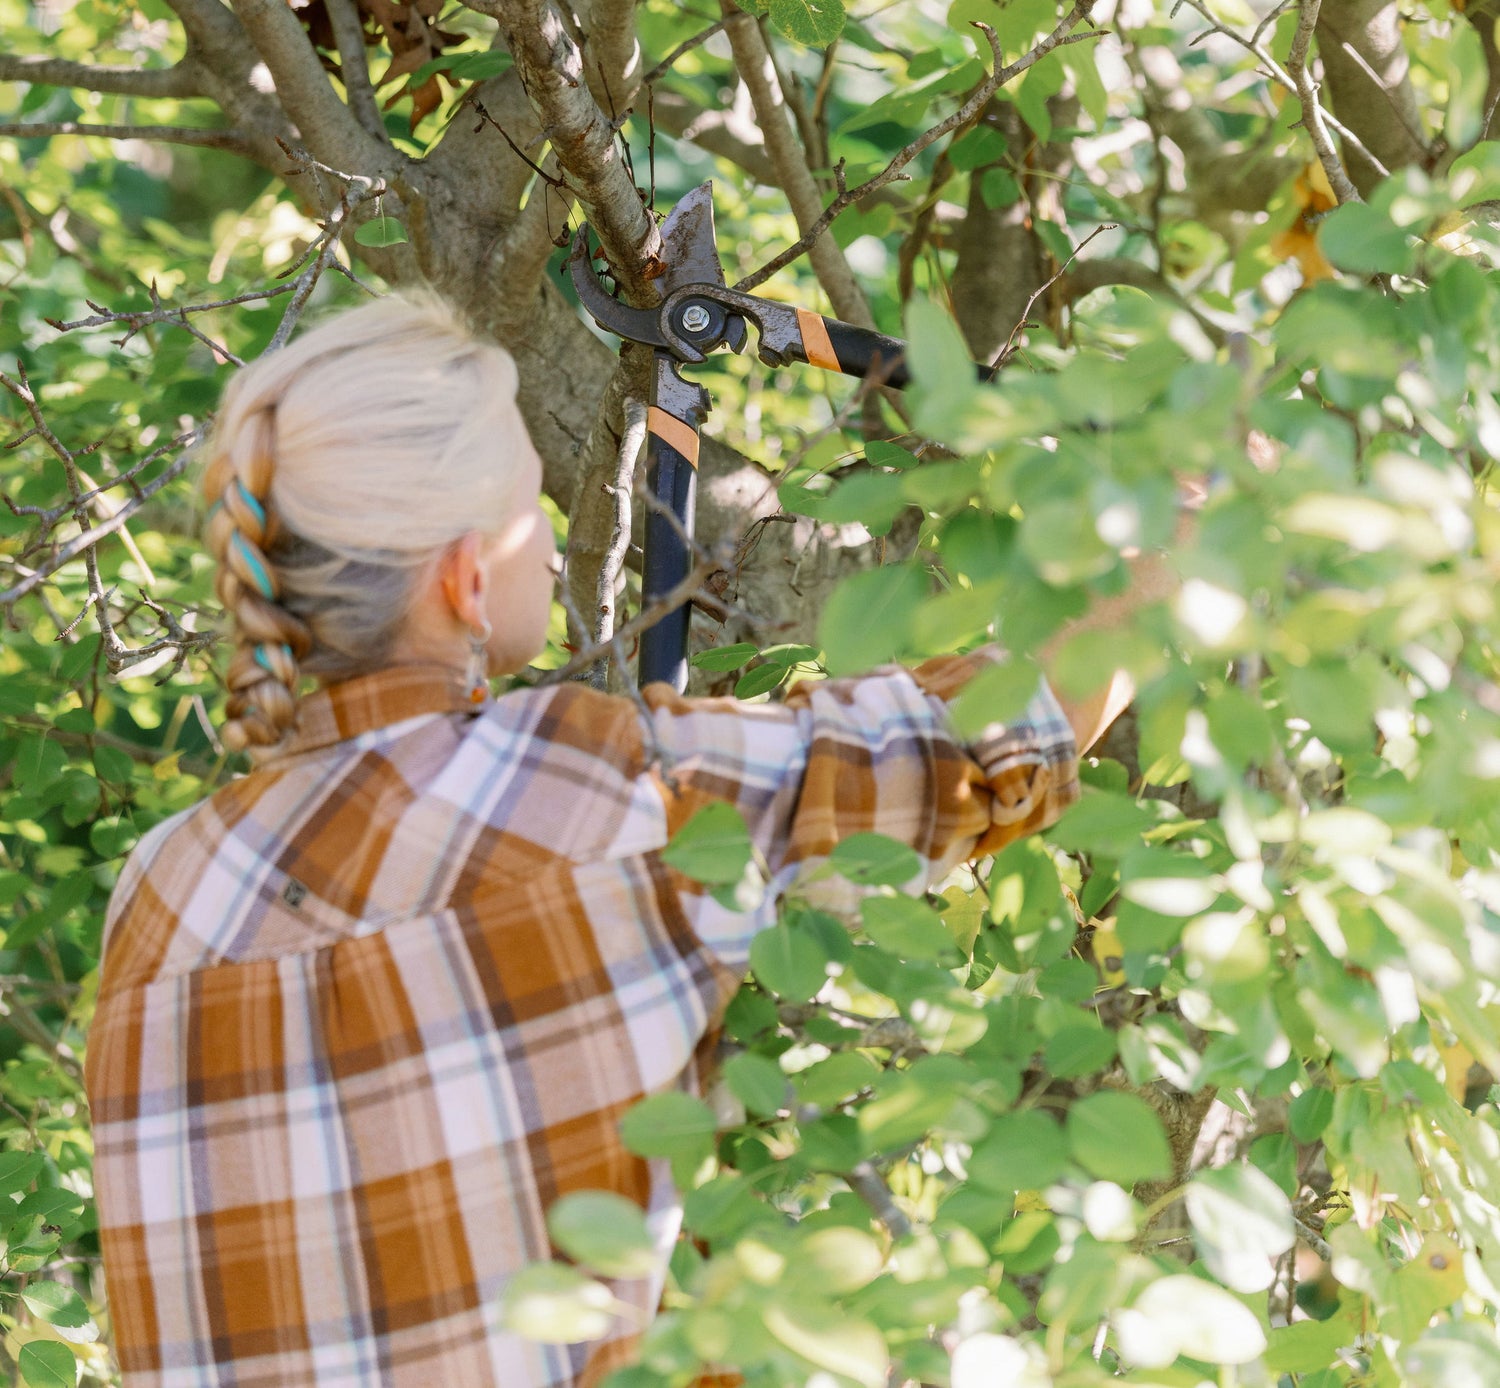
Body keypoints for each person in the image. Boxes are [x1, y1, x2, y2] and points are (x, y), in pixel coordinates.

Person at [83, 292, 1159, 1387]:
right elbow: (984, 749)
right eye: (534, 509)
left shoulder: (158, 889)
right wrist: (1174, 561)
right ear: (462, 578)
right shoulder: (588, 784)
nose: (552, 547)